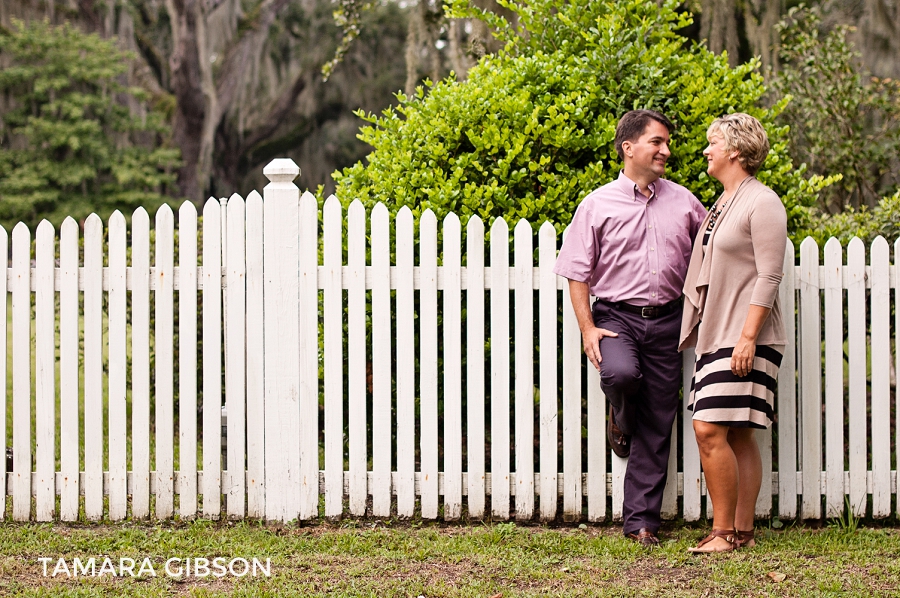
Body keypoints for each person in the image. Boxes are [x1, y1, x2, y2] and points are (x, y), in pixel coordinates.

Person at [554, 109, 707, 547]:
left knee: (660, 418)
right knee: (620, 375)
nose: (666, 150)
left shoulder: (684, 201)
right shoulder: (598, 204)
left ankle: (642, 521)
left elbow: (711, 249)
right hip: (616, 317)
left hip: (669, 321)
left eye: (666, 142)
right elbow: (576, 271)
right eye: (657, 142)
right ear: (629, 148)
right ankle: (620, 418)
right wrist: (587, 327)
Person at [679, 113, 788, 553]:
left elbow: (769, 276)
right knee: (737, 433)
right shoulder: (723, 202)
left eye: (713, 142)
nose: (706, 150)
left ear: (737, 151)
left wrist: (747, 337)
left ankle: (723, 533)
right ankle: (742, 531)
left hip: (746, 336)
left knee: (708, 429)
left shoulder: (762, 202)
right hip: (717, 332)